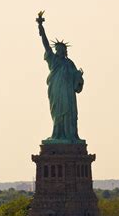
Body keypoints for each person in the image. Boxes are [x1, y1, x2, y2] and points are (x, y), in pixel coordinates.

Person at [36, 11, 85, 143]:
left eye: (61, 50)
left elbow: (77, 83)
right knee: (57, 114)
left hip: (68, 95)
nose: (59, 52)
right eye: (57, 50)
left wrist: (79, 77)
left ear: (65, 51)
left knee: (70, 114)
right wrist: (41, 27)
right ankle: (57, 134)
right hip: (56, 92)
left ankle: (70, 136)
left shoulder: (69, 63)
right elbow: (46, 45)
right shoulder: (53, 61)